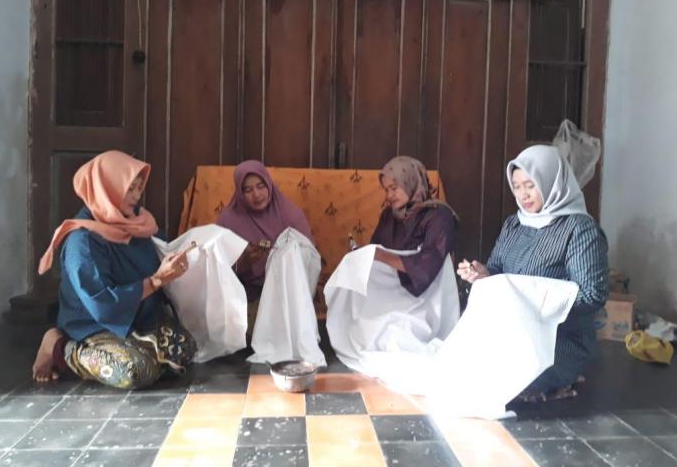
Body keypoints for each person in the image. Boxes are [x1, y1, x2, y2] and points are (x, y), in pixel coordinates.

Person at [457, 145, 609, 401]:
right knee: (463, 365)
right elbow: (497, 271)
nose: (523, 195)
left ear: (551, 182)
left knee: (501, 378)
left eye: (530, 185)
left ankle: (562, 374)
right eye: (516, 187)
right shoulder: (514, 224)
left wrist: (532, 300)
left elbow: (593, 294)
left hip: (557, 339)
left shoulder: (579, 229)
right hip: (513, 329)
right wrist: (483, 275)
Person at [32, 150, 195, 389]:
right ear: (106, 188)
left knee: (186, 347)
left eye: (139, 188)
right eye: (129, 189)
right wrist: (157, 280)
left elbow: (162, 254)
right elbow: (103, 304)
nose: (136, 196)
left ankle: (141, 347)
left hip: (138, 319)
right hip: (93, 326)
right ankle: (60, 346)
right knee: (135, 371)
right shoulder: (82, 242)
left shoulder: (136, 224)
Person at [325, 156, 460, 377]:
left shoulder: (439, 216)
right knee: (363, 329)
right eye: (386, 190)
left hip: (424, 298)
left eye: (394, 188)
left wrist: (383, 256)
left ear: (410, 181)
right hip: (391, 292)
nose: (389, 195)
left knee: (397, 336)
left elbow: (428, 265)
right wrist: (363, 257)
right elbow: (376, 252)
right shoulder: (390, 215)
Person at [217, 160, 325, 366]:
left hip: (288, 297)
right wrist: (246, 262)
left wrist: (282, 258)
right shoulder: (229, 220)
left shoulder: (289, 214)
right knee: (246, 330)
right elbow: (219, 272)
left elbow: (310, 261)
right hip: (249, 297)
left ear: (269, 184)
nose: (257, 195)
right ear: (239, 192)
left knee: (295, 250)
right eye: (248, 190)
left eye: (261, 186)